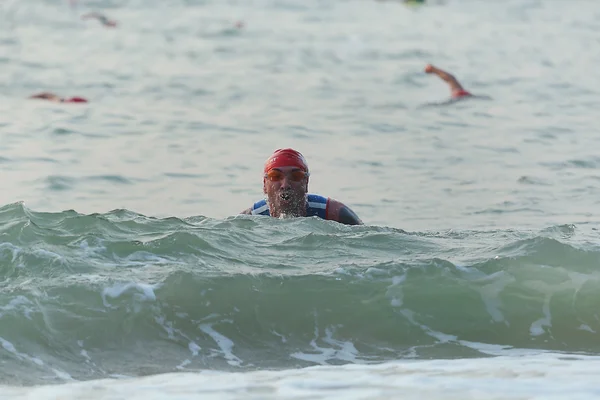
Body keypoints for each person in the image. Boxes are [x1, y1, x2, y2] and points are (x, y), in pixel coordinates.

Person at [240, 148, 363, 225]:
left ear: (306, 183)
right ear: (264, 185)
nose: (285, 185)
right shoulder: (250, 219)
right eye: (276, 176)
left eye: (296, 176)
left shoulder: (335, 214)